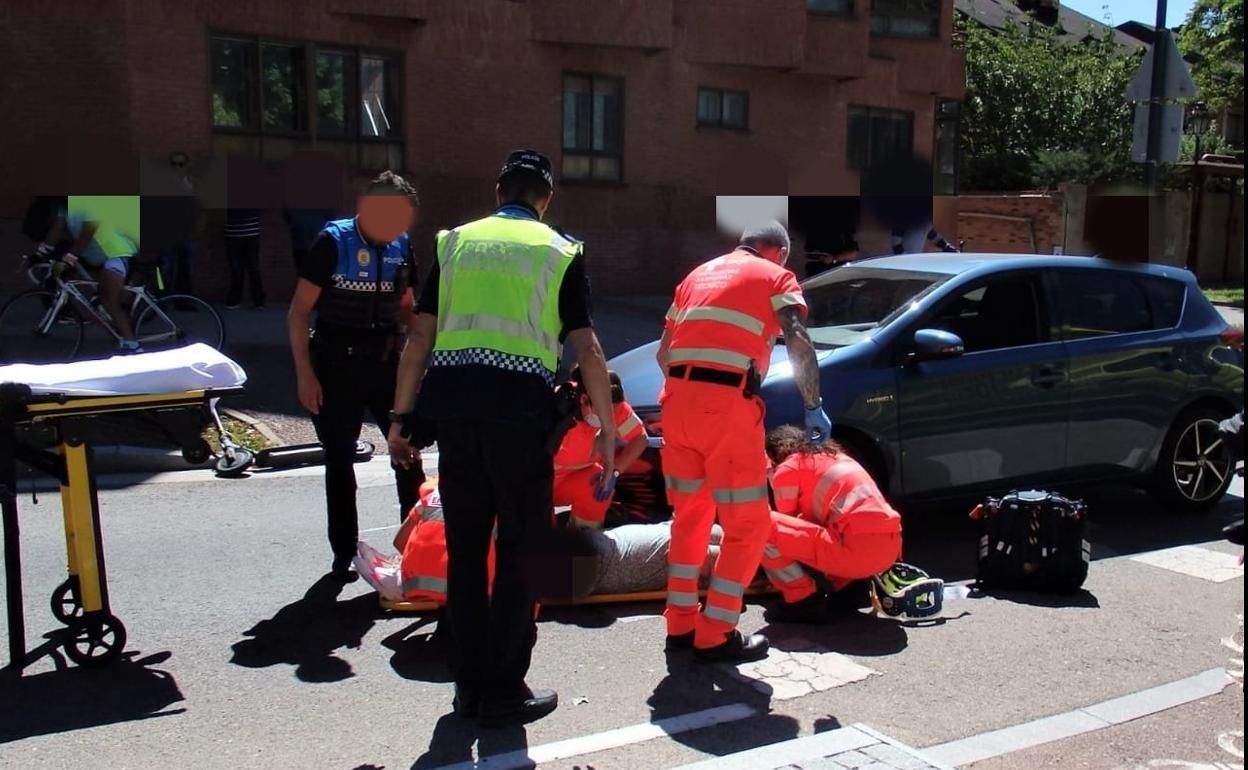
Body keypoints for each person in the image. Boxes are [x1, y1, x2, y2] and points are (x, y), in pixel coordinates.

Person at [387, 149, 615, 727]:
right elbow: (585, 349)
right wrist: (608, 430)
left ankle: (467, 690)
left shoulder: (455, 243)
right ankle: (505, 691)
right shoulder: (559, 251)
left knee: (467, 554)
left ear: (497, 190)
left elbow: (420, 339)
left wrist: (399, 417)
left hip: (457, 419)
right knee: (520, 554)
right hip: (520, 421)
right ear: (546, 198)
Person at [657, 221, 830, 663]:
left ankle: (680, 626)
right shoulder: (777, 277)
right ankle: (716, 634)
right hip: (726, 410)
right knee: (747, 526)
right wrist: (812, 403)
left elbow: (663, 353)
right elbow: (796, 337)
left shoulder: (697, 276)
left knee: (690, 518)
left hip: (676, 405)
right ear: (779, 252)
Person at [288, 170, 427, 579]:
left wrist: (418, 360)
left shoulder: (402, 246)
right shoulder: (333, 242)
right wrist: (304, 375)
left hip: (385, 365)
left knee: (406, 454)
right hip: (334, 365)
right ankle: (344, 551)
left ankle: (415, 546)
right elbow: (298, 312)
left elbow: (408, 306)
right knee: (339, 459)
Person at [758, 425, 909, 623]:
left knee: (760, 525)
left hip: (855, 552)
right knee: (833, 525)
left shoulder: (787, 468)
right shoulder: (837, 457)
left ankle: (802, 599)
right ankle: (849, 588)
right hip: (889, 551)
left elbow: (789, 524)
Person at [553, 367, 649, 530]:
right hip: (534, 482)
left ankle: (584, 544)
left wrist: (615, 471)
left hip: (570, 481)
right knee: (538, 534)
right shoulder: (555, 411)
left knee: (598, 487)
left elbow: (639, 438)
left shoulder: (615, 408)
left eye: (612, 411)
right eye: (603, 411)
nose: (608, 419)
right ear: (584, 400)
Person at [42, 195, 142, 351]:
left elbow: (89, 230)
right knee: (71, 282)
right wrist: (41, 251)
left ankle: (133, 344)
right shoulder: (65, 204)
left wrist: (70, 258)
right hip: (92, 257)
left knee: (109, 301)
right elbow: (57, 228)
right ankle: (111, 324)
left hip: (114, 253)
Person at [224, 207, 265, 309]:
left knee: (238, 268)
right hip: (249, 230)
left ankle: (236, 300)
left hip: (234, 230)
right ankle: (258, 301)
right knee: (251, 268)